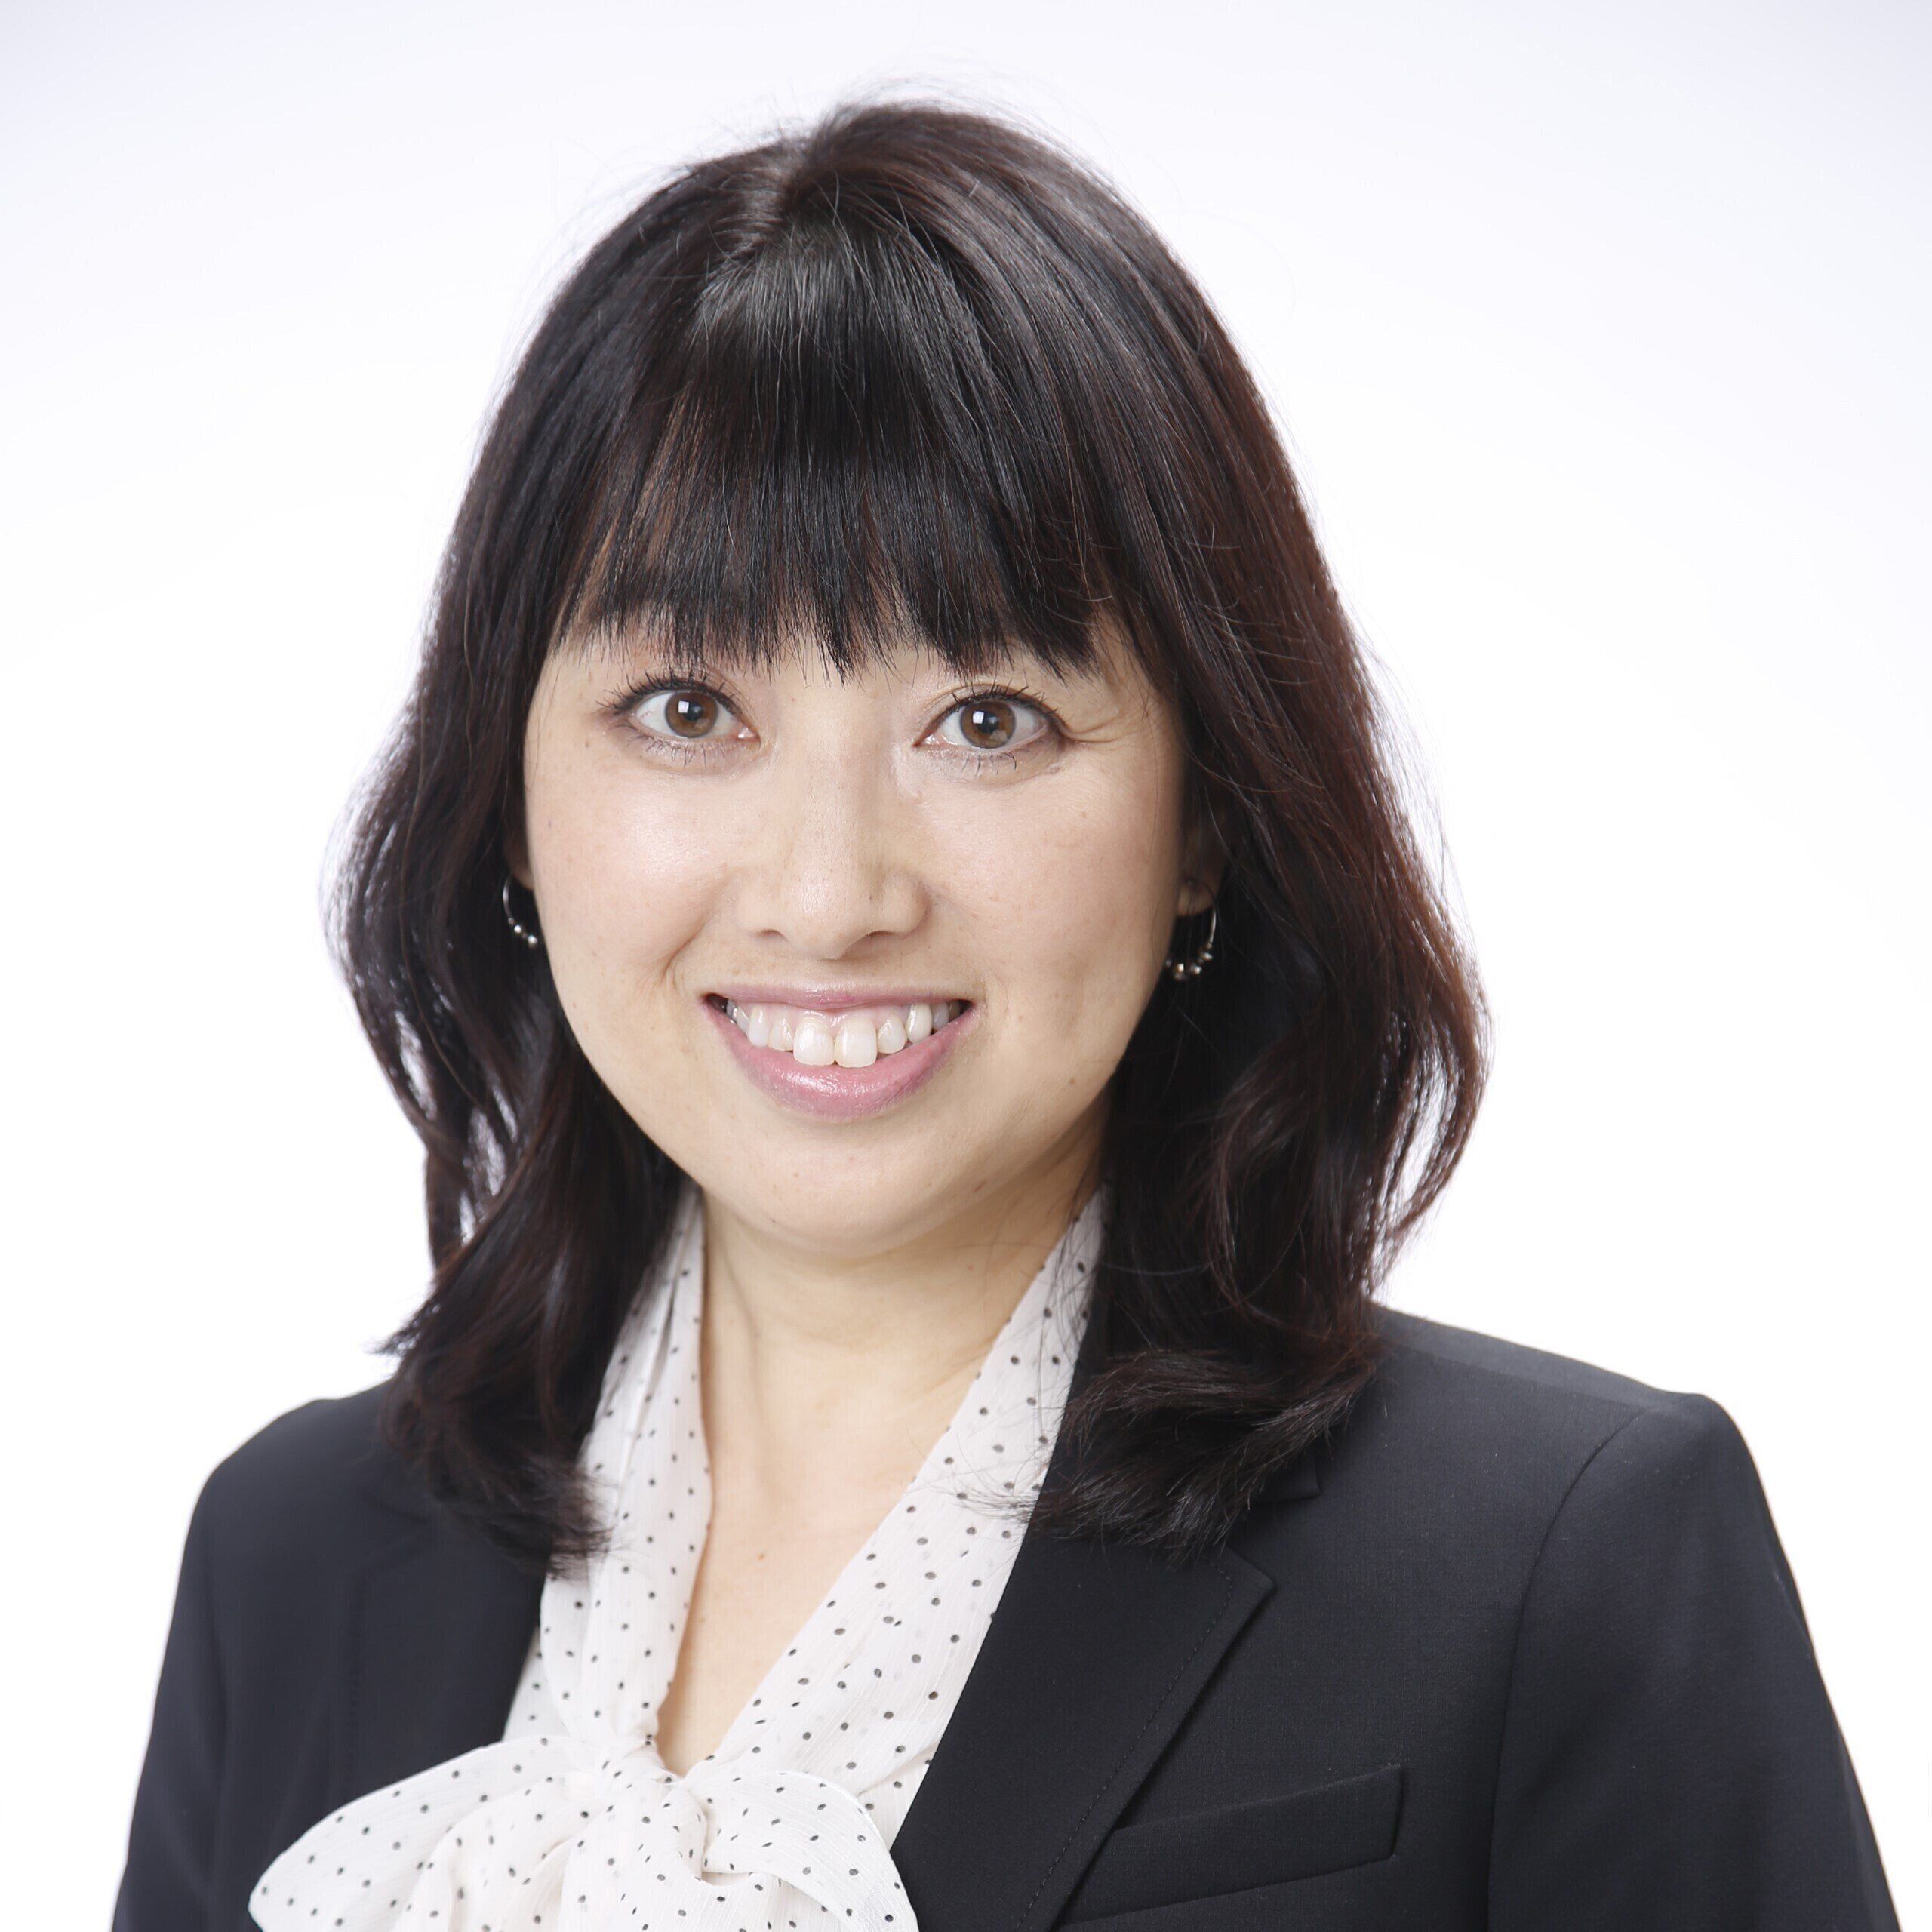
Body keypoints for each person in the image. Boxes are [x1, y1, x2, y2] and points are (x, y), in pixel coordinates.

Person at [112, 98, 1900, 1932]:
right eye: (686, 709)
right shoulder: (291, 1555)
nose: (828, 893)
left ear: (1203, 817)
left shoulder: (1557, 1564)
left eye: (986, 719)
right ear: (505, 790)